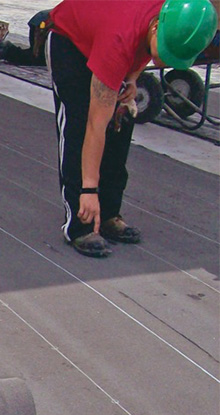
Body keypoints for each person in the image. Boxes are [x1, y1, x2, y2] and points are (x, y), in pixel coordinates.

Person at [44, 0, 217, 257]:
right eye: (165, 50)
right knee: (80, 127)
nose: (161, 60)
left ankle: (110, 212)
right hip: (69, 43)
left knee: (120, 123)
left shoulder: (170, 16)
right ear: (157, 26)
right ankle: (80, 224)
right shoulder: (119, 39)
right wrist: (89, 189)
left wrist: (133, 78)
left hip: (116, 35)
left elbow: (146, 47)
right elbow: (95, 125)